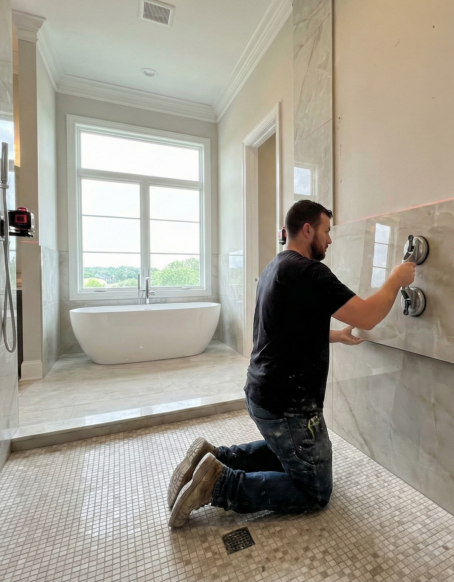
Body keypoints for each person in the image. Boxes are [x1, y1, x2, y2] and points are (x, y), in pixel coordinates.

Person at [167, 200, 416, 527]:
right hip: (288, 407)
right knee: (315, 489)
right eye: (326, 231)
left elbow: (285, 331)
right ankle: (218, 484)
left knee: (293, 453)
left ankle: (215, 457)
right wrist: (396, 278)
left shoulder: (276, 268)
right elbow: (368, 316)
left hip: (262, 394)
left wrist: (335, 336)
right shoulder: (310, 272)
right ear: (308, 229)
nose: (329, 240)